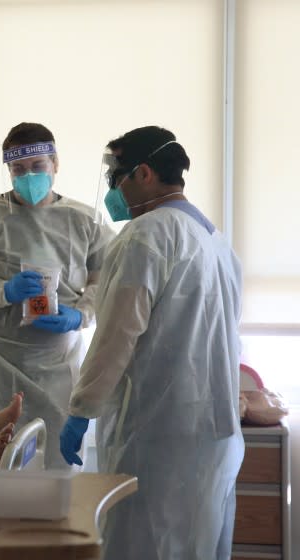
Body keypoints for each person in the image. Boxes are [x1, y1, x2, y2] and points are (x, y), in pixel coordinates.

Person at [60, 126, 244, 559]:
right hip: (212, 430)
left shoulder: (147, 235)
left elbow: (116, 335)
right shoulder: (214, 240)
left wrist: (81, 408)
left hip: (158, 431)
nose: (111, 189)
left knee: (144, 542)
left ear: (143, 173)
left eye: (115, 176)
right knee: (196, 544)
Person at [0, 122, 114, 469]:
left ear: (55, 164)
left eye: (37, 167)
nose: (28, 176)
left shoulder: (86, 222)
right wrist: (3, 290)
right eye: (18, 169)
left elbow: (107, 282)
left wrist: (80, 314)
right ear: (8, 170)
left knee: (53, 466)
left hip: (57, 364)